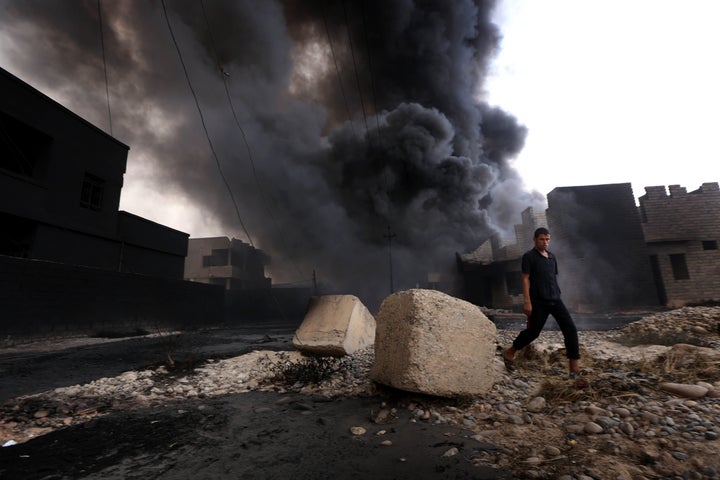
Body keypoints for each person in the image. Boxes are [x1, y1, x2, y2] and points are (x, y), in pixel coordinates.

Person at [502, 227, 587, 387]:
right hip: (538, 301)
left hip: (555, 299)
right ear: (535, 239)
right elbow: (525, 279)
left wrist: (557, 294)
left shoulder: (551, 257)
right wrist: (527, 302)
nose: (545, 242)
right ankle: (510, 352)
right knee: (533, 332)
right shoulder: (529, 257)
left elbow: (551, 278)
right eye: (542, 239)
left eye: (548, 239)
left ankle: (574, 369)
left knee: (570, 329)